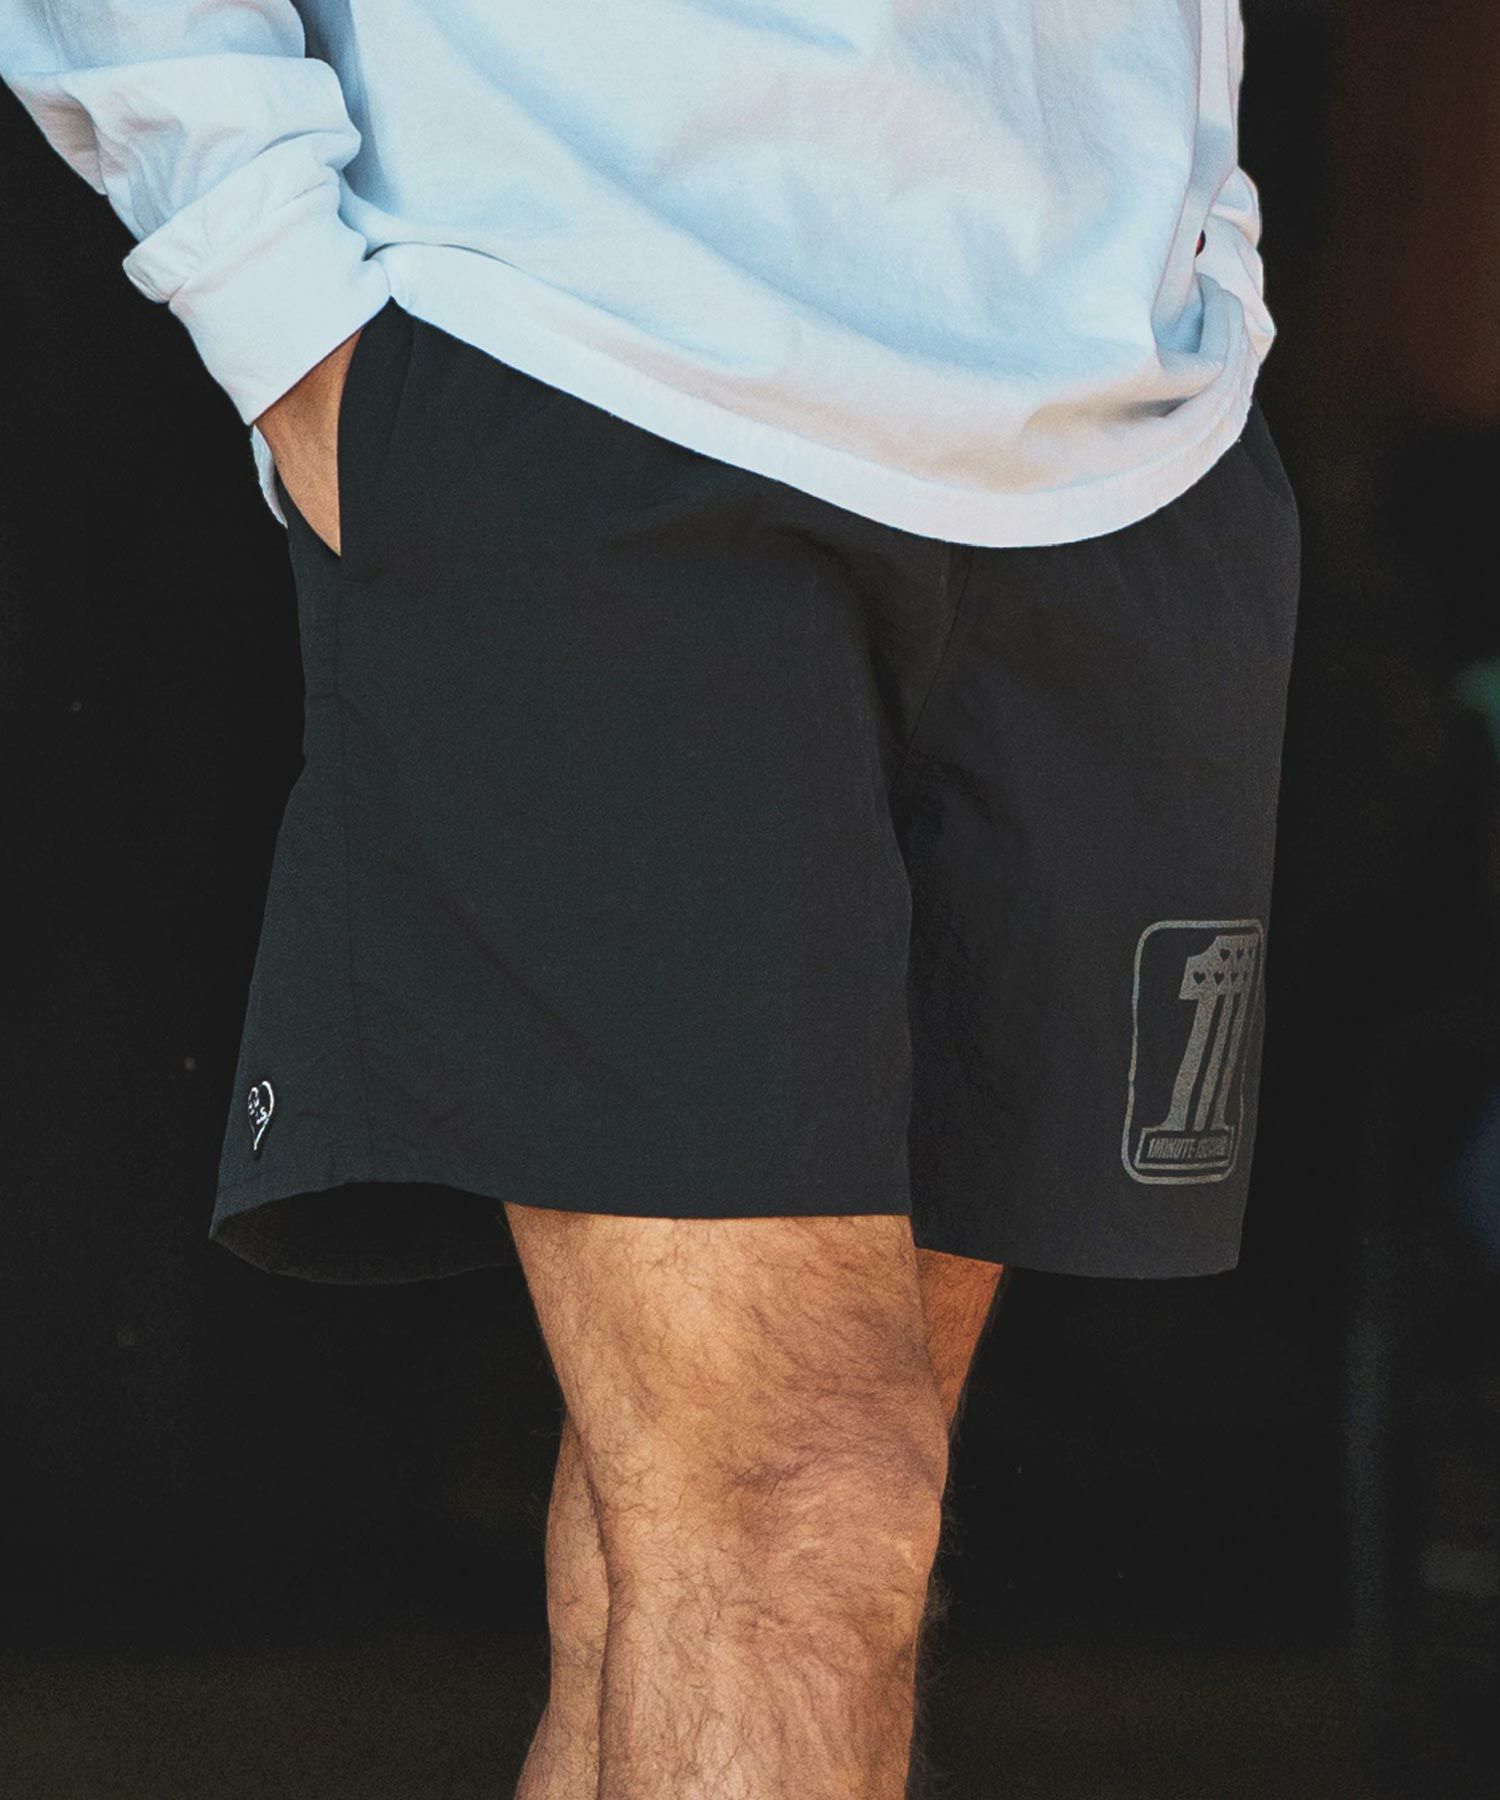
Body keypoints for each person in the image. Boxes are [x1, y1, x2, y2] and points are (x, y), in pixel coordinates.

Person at [1, 4, 1301, 1794]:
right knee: (803, 1511)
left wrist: (1199, 230)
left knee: (709, 1543)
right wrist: (270, 290)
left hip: (1110, 421)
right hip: (582, 360)